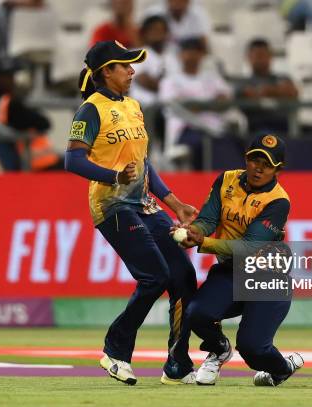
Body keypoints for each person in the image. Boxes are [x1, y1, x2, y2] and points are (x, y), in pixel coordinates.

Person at [64, 40, 198, 385]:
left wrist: (175, 203)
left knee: (183, 276)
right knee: (154, 276)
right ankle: (115, 351)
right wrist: (113, 176)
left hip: (144, 204)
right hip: (112, 205)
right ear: (106, 71)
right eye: (124, 65)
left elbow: (143, 164)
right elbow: (73, 159)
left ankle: (177, 364)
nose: (132, 70)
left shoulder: (134, 106)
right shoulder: (90, 110)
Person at [176, 133, 304, 386]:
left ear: (278, 169)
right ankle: (219, 349)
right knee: (196, 313)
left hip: (268, 278)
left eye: (267, 164)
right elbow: (209, 219)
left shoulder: (278, 201)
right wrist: (197, 231)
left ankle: (282, 367)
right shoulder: (227, 180)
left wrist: (204, 242)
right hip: (231, 272)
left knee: (253, 349)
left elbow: (249, 247)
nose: (259, 169)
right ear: (246, 157)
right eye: (255, 160)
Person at [158, 37, 244, 169]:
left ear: (201, 55)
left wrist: (200, 105)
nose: (192, 56)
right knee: (205, 145)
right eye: (188, 51)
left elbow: (225, 99)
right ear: (180, 55)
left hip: (216, 128)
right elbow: (177, 106)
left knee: (235, 144)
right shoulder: (170, 80)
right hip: (186, 130)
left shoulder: (211, 77)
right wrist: (211, 105)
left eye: (195, 52)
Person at [0, 58, 59, 171]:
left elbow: (44, 122)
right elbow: (39, 122)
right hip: (27, 160)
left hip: (38, 157)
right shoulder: (3, 102)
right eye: (6, 76)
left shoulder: (12, 99)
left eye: (11, 75)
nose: (10, 80)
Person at [235, 39, 299, 135]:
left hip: (284, 129)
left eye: (265, 55)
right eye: (258, 56)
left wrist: (266, 91)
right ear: (249, 57)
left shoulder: (283, 77)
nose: (262, 59)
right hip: (255, 131)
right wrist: (277, 92)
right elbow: (246, 94)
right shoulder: (243, 82)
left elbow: (292, 92)